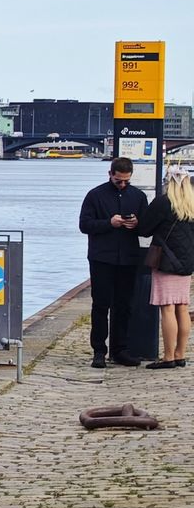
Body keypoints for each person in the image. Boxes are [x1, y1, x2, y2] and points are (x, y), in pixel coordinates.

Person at [79, 156, 149, 368]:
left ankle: (120, 350)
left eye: (126, 181)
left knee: (124, 305)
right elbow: (85, 225)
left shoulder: (138, 196)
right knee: (101, 305)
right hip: (102, 258)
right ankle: (99, 350)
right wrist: (109, 223)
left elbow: (146, 228)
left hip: (127, 258)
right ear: (110, 174)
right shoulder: (95, 195)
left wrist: (137, 224)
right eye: (119, 180)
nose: (123, 184)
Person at [139, 166, 194, 369]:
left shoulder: (164, 202)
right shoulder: (192, 203)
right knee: (182, 307)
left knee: (168, 308)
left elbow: (144, 229)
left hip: (167, 260)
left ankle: (168, 356)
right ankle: (181, 354)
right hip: (187, 261)